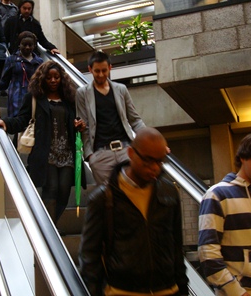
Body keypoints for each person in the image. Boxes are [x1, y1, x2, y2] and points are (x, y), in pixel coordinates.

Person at [79, 127, 188, 296]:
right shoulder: (104, 198)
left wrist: (182, 288)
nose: (154, 168)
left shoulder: (169, 192)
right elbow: (90, 257)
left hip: (168, 289)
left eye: (159, 162)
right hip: (122, 291)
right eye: (148, 160)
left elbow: (176, 246)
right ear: (130, 153)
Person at [0, 61, 86, 224]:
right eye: (49, 78)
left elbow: (76, 121)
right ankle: (49, 229)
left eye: (56, 77)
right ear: (43, 79)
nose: (53, 80)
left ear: (62, 78)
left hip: (68, 153)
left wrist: (79, 125)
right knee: (51, 189)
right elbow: (22, 119)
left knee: (64, 191)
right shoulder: (34, 98)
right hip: (46, 153)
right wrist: (5, 123)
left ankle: (50, 225)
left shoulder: (69, 98)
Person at [198, 131, 251, 296]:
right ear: (243, 157)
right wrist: (235, 291)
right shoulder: (217, 195)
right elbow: (208, 251)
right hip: (239, 291)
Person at [76, 50, 146, 185]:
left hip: (125, 150)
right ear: (90, 69)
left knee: (132, 192)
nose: (101, 75)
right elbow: (85, 127)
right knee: (109, 198)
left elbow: (135, 120)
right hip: (100, 155)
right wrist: (90, 156)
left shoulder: (121, 89)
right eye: (97, 71)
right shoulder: (82, 93)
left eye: (104, 70)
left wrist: (150, 140)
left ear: (110, 68)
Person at [0, 31, 43, 118]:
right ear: (19, 45)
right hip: (16, 101)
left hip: (34, 100)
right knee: (17, 125)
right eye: (24, 44)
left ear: (34, 46)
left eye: (30, 45)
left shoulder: (39, 62)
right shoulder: (11, 60)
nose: (27, 47)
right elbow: (4, 83)